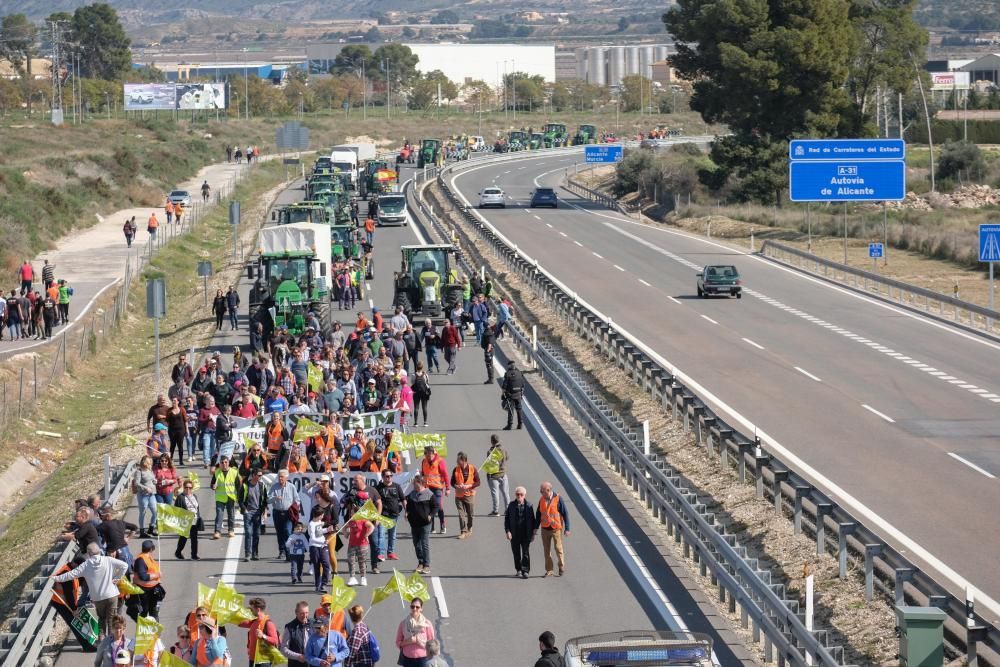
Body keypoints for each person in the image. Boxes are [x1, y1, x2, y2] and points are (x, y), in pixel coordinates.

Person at [51, 542, 128, 638]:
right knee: (112, 619)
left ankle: (101, 638)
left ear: (89, 553)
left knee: (101, 618)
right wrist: (117, 577)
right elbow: (124, 565)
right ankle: (112, 641)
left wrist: (55, 578)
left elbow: (71, 575)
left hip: (98, 597)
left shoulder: (86, 565)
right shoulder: (108, 560)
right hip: (112, 595)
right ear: (99, 551)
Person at [534, 482, 570, 577]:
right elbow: (538, 514)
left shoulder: (558, 499)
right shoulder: (541, 500)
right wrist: (535, 528)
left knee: (558, 548)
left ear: (549, 490)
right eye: (541, 491)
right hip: (545, 529)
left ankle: (561, 565)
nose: (541, 493)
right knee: (546, 550)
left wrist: (567, 528)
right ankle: (549, 570)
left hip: (556, 529)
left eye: (542, 491)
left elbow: (565, 513)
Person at [405, 475, 434, 575]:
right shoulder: (412, 494)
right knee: (416, 544)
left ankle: (427, 565)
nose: (413, 485)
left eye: (415, 483)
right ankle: (420, 562)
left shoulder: (429, 494)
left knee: (424, 544)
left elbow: (436, 506)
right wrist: (407, 512)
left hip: (425, 524)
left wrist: (431, 515)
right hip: (414, 523)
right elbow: (408, 505)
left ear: (421, 483)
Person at [238, 597, 280, 667]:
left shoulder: (268, 623)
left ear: (258, 610)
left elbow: (275, 641)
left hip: (263, 661)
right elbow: (239, 623)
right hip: (252, 659)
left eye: (252, 609)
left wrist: (263, 636)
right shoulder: (254, 621)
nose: (250, 611)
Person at [505, 486, 536, 578]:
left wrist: (533, 533)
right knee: (516, 553)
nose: (519, 496)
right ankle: (518, 569)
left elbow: (533, 520)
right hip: (514, 534)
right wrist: (508, 531)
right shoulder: (511, 505)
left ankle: (525, 570)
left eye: (521, 494)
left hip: (526, 534)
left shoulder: (529, 506)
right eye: (517, 494)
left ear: (524, 495)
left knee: (525, 553)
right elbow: (506, 520)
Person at [395, 598, 435, 667]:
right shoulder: (403, 624)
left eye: (417, 607)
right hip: (408, 660)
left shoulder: (427, 624)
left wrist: (419, 642)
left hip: (424, 659)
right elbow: (398, 642)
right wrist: (409, 641)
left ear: (421, 609)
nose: (414, 609)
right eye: (412, 606)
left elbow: (432, 643)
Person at [270, 468, 300, 559]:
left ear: (286, 477)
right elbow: (268, 499)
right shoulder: (274, 487)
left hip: (288, 513)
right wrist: (275, 498)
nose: (280, 479)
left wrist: (294, 507)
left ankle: (289, 553)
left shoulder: (291, 487)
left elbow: (297, 500)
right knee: (279, 533)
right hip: (277, 512)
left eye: (282, 477)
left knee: (287, 531)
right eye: (279, 477)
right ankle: (281, 551)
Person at [374, 469, 404, 561]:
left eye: (391, 476)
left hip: (394, 515)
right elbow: (374, 501)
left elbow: (403, 499)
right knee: (381, 534)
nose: (389, 478)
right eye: (387, 476)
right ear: (383, 477)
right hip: (383, 515)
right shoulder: (378, 488)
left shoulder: (397, 486)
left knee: (392, 535)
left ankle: (390, 552)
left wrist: (406, 511)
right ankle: (381, 553)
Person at [238, 468, 267, 561]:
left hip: (258, 512)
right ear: (253, 475)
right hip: (248, 512)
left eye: (261, 475)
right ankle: (247, 554)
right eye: (259, 475)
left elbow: (265, 500)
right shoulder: (245, 486)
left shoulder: (262, 486)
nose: (260, 477)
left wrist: (264, 511)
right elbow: (240, 500)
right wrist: (245, 510)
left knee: (256, 534)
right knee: (248, 533)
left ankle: (255, 553)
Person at [451, 452, 480, 539]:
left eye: (458, 460)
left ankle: (469, 527)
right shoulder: (455, 469)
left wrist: (469, 486)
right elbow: (452, 482)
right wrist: (456, 486)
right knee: (461, 514)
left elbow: (478, 482)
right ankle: (463, 531)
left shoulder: (472, 469)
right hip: (459, 495)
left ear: (464, 461)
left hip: (469, 495)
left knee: (470, 514)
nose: (457, 462)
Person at [420, 446, 449, 534]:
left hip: (438, 487)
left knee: (439, 506)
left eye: (428, 454)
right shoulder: (424, 461)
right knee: (429, 507)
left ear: (433, 453)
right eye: (425, 454)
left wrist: (448, 488)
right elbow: (423, 473)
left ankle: (442, 525)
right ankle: (432, 526)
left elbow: (445, 474)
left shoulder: (440, 461)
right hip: (427, 487)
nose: (426, 456)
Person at [132, 540, 163, 619]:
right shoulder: (141, 560)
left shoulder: (148, 558)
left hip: (153, 591)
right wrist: (157, 575)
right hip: (144, 592)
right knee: (144, 613)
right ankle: (143, 631)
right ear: (151, 549)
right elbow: (143, 577)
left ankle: (154, 631)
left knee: (154, 613)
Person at [210, 456, 238, 539]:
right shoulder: (217, 472)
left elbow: (238, 485)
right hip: (220, 497)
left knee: (231, 514)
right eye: (222, 462)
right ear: (220, 464)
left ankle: (231, 530)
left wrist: (239, 497)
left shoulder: (234, 472)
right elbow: (212, 484)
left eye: (226, 462)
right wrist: (213, 486)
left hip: (230, 496)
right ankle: (217, 531)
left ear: (228, 463)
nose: (224, 464)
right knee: (219, 514)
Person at [346, 505, 374, 587]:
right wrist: (345, 534)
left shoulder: (364, 520)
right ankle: (352, 578)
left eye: (352, 513)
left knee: (362, 562)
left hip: (362, 545)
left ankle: (363, 578)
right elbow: (345, 527)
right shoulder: (351, 521)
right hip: (351, 544)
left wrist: (366, 535)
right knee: (351, 561)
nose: (351, 514)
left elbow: (372, 527)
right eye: (351, 513)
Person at [174, 478, 202, 560]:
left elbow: (197, 508)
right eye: (186, 487)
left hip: (194, 519)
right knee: (183, 537)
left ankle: (194, 555)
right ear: (184, 487)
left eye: (190, 488)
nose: (188, 489)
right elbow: (176, 509)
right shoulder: (180, 497)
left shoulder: (194, 496)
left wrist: (198, 517)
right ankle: (178, 552)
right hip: (185, 520)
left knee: (194, 538)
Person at [308, 505, 333, 593]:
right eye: (322, 515)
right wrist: (322, 542)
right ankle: (317, 584)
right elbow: (313, 537)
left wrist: (327, 529)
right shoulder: (311, 524)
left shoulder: (319, 522)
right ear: (318, 515)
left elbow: (319, 532)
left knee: (326, 565)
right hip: (314, 547)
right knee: (317, 566)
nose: (323, 516)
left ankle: (324, 584)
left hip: (323, 547)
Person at [281, 601, 312, 667]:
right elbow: (283, 649)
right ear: (296, 612)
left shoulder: (314, 625)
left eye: (306, 613)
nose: (305, 616)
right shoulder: (289, 628)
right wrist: (298, 656)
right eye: (302, 613)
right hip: (296, 664)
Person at [485, 435, 510, 516]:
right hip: (503, 474)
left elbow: (489, 465)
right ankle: (508, 510)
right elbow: (507, 458)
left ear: (492, 441)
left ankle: (495, 511)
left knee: (495, 493)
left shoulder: (490, 451)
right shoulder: (504, 449)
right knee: (505, 493)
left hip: (494, 476)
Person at [134, 456, 158, 537]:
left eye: (150, 462)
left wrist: (155, 481)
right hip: (143, 495)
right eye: (148, 462)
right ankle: (142, 531)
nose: (150, 464)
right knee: (143, 513)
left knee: (155, 512)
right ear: (144, 462)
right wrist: (145, 488)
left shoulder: (149, 470)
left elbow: (152, 479)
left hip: (152, 494)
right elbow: (136, 483)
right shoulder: (139, 471)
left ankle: (151, 528)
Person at [501, 360, 525, 430]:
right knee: (519, 409)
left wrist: (503, 394)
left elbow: (504, 386)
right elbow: (523, 384)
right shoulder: (519, 373)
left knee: (510, 410)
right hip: (518, 394)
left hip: (510, 395)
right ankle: (520, 424)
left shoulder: (507, 374)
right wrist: (521, 393)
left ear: (509, 366)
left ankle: (510, 425)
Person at [410, 362, 431, 427]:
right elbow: (427, 382)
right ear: (422, 367)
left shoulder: (413, 375)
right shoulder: (425, 375)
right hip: (424, 393)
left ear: (416, 367)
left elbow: (412, 382)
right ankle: (425, 422)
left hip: (416, 392)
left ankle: (416, 423)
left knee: (416, 407)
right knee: (424, 407)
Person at [480, 317, 496, 384]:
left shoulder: (488, 333)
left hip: (489, 351)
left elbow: (490, 343)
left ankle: (491, 379)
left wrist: (487, 351)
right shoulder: (488, 331)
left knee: (489, 365)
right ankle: (490, 378)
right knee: (489, 365)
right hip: (488, 350)